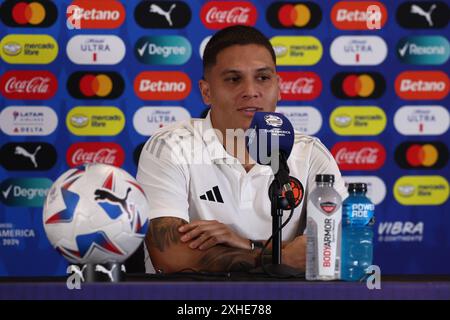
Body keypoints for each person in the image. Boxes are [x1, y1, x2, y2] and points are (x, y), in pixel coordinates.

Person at [136, 25, 347, 274]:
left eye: (263, 78)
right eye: (233, 79)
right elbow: (171, 256)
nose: (250, 92)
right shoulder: (170, 147)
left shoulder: (310, 154)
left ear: (279, 88)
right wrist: (276, 258)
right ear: (206, 92)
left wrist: (247, 244)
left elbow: (339, 249)